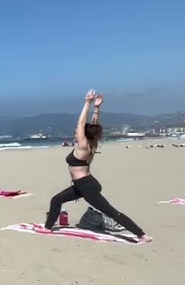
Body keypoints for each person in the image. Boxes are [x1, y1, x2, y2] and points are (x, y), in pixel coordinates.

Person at [43, 92, 151, 242]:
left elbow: (80, 123)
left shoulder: (83, 145)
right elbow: (93, 126)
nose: (77, 132)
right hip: (83, 185)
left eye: (80, 132)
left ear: (83, 134)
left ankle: (142, 235)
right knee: (56, 200)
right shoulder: (92, 144)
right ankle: (48, 228)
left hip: (87, 187)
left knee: (112, 212)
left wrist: (87, 103)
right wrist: (97, 108)